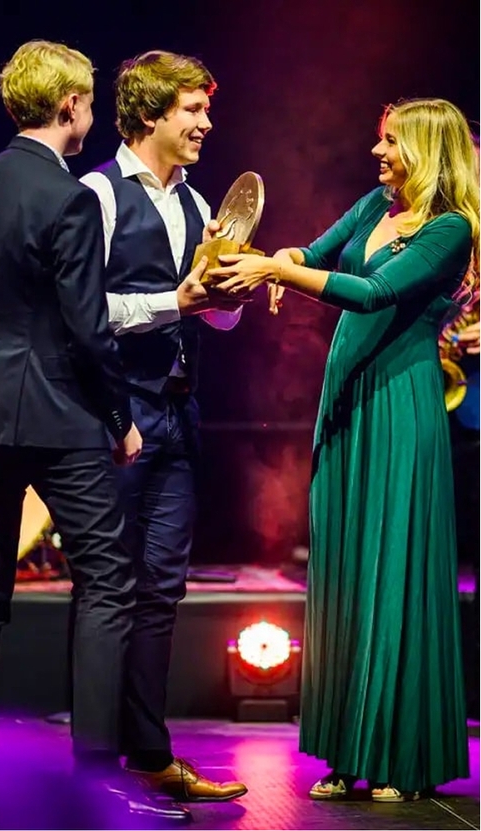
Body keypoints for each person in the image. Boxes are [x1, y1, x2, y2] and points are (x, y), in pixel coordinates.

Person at [0, 39, 188, 823]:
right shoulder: (70, 196)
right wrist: (120, 421)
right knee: (108, 579)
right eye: (86, 103)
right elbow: (87, 329)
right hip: (55, 413)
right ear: (69, 106)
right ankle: (97, 774)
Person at [208, 97, 478, 801]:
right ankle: (344, 749)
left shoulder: (450, 228)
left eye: (391, 142)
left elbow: (371, 292)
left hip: (399, 403)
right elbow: (316, 254)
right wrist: (278, 259)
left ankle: (400, 757)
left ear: (427, 150)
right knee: (345, 568)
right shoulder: (374, 205)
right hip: (348, 401)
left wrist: (274, 273)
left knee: (393, 566)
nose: (377, 152)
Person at [80, 50, 248, 803]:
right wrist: (172, 301)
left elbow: (216, 318)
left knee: (162, 592)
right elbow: (83, 312)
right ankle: (91, 773)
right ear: (150, 114)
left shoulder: (195, 200)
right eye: (193, 110)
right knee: (107, 591)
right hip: (115, 417)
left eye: (207, 110)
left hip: (178, 416)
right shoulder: (99, 195)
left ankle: (147, 755)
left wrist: (227, 290)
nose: (207, 123)